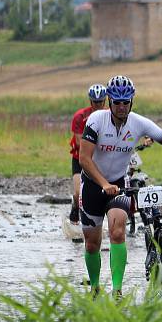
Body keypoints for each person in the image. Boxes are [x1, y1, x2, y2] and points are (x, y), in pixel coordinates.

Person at [78, 75, 162, 299]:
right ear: (110, 101)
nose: (121, 107)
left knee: (118, 231)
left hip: (119, 185)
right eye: (117, 102)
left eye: (126, 102)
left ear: (131, 102)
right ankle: (94, 287)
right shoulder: (96, 120)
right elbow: (84, 158)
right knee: (92, 244)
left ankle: (117, 290)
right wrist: (103, 183)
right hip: (93, 185)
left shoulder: (139, 123)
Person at [68, 84, 107, 223]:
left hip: (99, 159)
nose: (98, 105)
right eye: (95, 102)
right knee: (79, 194)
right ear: (90, 101)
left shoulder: (110, 115)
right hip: (80, 158)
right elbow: (79, 142)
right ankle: (75, 206)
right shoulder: (80, 116)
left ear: (105, 101)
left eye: (101, 102)